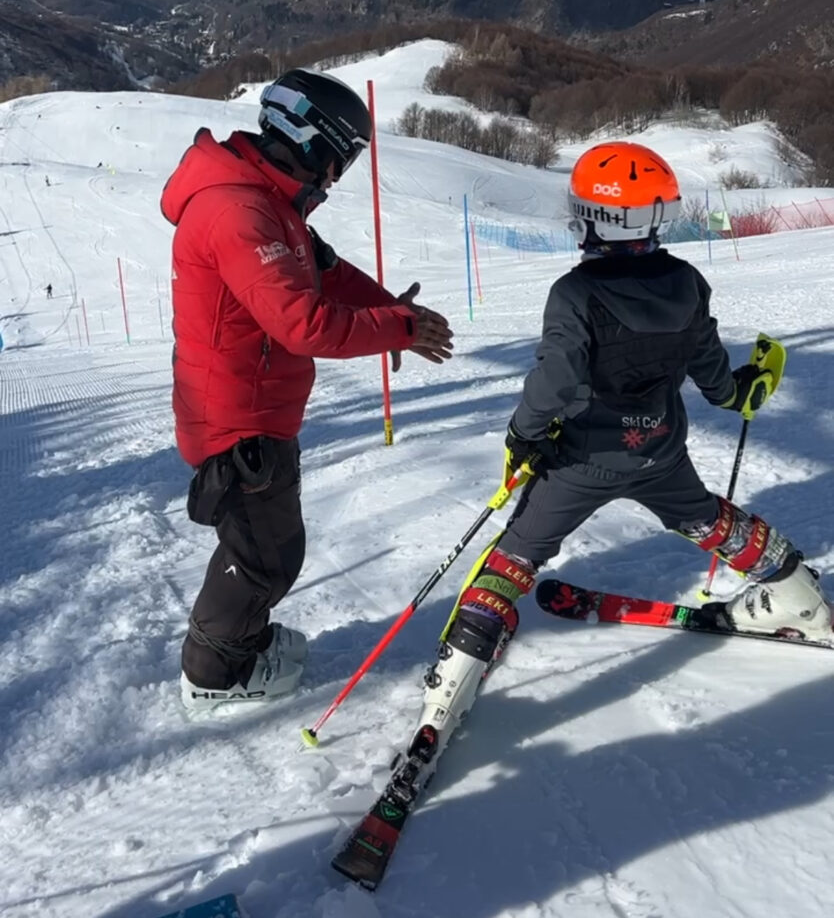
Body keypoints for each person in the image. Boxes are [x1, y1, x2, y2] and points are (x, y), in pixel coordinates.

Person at [413, 140, 831, 750]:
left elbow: (552, 383)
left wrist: (523, 438)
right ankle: (800, 596)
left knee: (517, 553)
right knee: (708, 520)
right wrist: (749, 387)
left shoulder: (577, 293)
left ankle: (450, 690)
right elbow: (715, 379)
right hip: (659, 451)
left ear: (592, 219)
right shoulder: (686, 282)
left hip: (581, 460)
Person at [161, 67, 454, 715]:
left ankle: (239, 642)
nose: (336, 177)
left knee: (267, 546)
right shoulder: (239, 210)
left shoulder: (268, 198)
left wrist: (388, 312)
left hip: (257, 405)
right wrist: (397, 329)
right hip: (235, 417)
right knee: (264, 555)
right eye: (341, 159)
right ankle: (215, 673)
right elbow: (303, 323)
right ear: (314, 142)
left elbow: (324, 271)